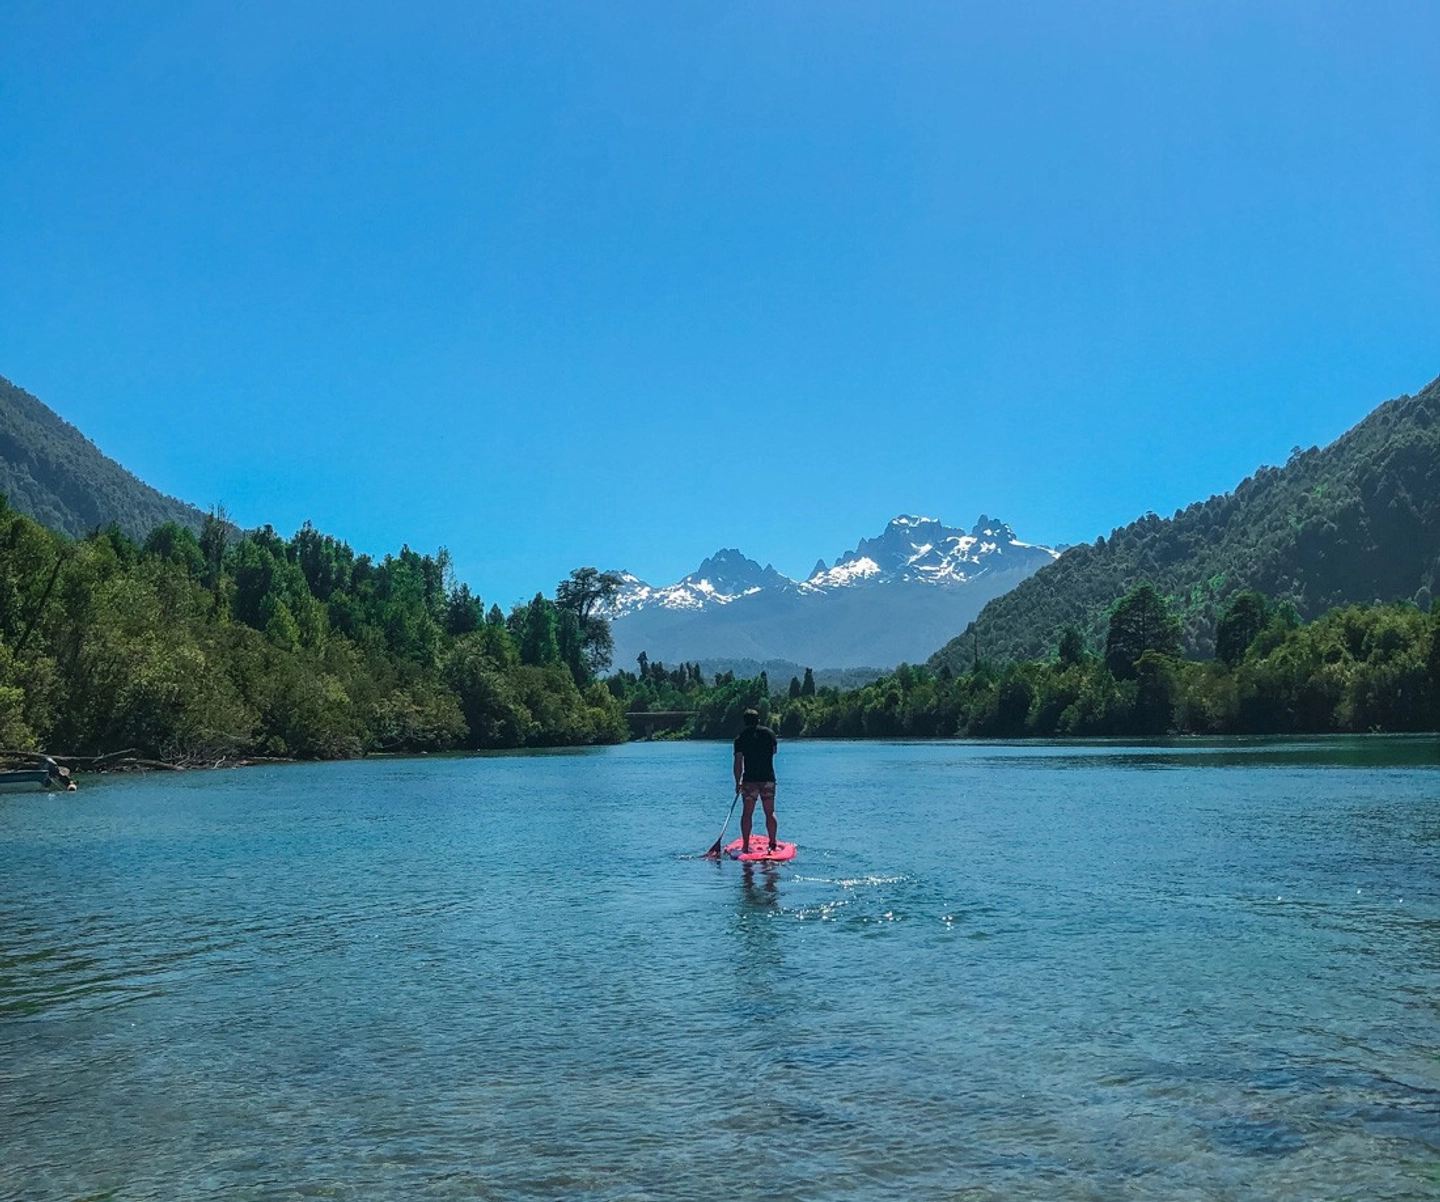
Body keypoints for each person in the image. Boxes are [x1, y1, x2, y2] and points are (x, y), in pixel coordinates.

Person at [733, 708, 779, 854]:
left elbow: (738, 762)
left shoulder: (741, 738)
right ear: (758, 720)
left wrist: (737, 782)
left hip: (749, 780)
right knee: (770, 812)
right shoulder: (769, 734)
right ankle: (772, 843)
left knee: (747, 813)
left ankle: (746, 845)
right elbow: (774, 751)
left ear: (745, 722)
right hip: (767, 778)